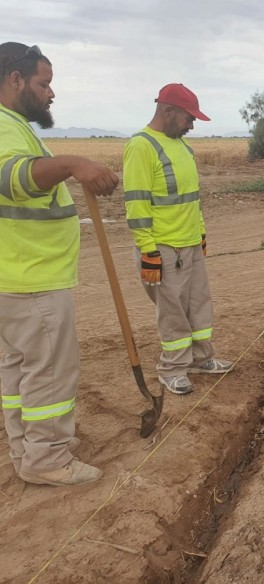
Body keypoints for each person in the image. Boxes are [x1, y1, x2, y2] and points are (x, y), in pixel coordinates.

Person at [0, 42, 119, 486]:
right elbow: (14, 180)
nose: (51, 94)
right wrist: (72, 163)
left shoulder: (13, 125)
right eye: (43, 83)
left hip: (16, 276)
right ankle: (47, 458)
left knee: (21, 368)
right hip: (31, 278)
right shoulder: (4, 126)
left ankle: (26, 447)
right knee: (50, 370)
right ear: (15, 81)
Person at [123, 83, 232, 395]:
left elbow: (191, 198)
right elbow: (137, 204)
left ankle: (201, 359)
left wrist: (200, 233)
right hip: (163, 247)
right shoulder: (142, 146)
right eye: (188, 117)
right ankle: (172, 369)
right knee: (172, 312)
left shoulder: (183, 147)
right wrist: (148, 251)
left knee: (199, 304)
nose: (192, 124)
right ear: (167, 111)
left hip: (190, 243)